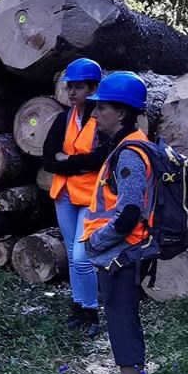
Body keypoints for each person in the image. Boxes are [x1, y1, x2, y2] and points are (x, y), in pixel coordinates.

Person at [79, 72, 158, 374]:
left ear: (123, 113)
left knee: (123, 324)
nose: (95, 115)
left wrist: (97, 240)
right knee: (122, 321)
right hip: (122, 253)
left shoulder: (129, 154)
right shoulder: (129, 146)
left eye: (103, 108)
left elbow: (128, 213)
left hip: (121, 255)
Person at [42, 56, 116, 333]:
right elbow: (48, 159)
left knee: (83, 256)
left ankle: (91, 312)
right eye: (70, 86)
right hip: (64, 194)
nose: (72, 92)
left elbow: (101, 158)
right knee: (73, 257)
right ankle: (78, 307)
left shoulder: (103, 119)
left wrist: (68, 160)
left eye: (79, 87)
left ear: (94, 88)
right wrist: (79, 161)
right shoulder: (63, 118)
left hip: (91, 197)